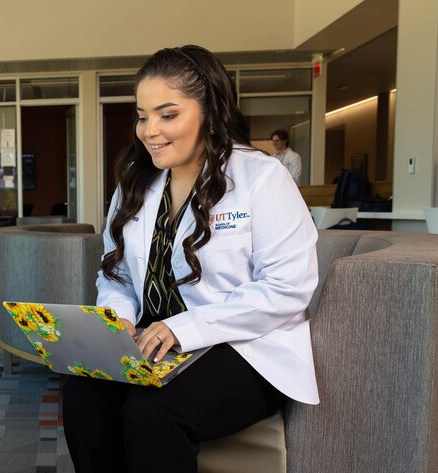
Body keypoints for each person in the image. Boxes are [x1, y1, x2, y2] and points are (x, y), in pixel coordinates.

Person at [62, 46, 319, 472]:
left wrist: (183, 328)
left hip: (245, 348)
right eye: (142, 116)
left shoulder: (260, 177)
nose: (150, 131)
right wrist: (118, 320)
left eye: (168, 114)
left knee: (154, 411)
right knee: (82, 392)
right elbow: (117, 274)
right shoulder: (135, 181)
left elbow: (286, 288)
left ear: (209, 110)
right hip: (153, 343)